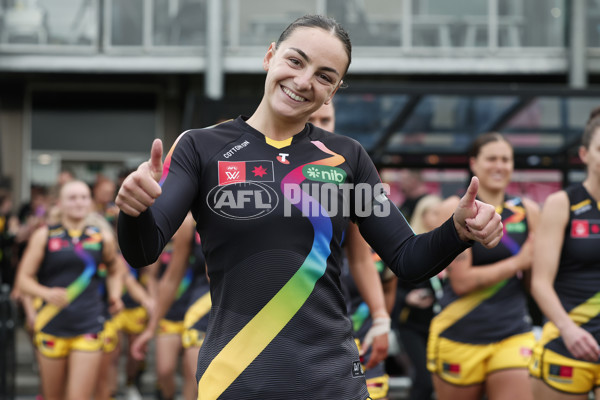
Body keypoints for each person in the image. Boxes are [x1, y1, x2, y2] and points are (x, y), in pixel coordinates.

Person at [115, 14, 503, 399]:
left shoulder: (347, 157)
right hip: (235, 378)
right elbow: (142, 250)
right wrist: (134, 211)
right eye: (295, 61)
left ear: (333, 91)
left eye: (324, 76)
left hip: (333, 381)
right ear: (270, 56)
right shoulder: (201, 147)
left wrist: (457, 230)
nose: (303, 81)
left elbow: (407, 257)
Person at [427, 132, 539, 400]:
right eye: (491, 159)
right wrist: (519, 262)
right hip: (458, 334)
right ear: (474, 163)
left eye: (506, 159)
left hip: (513, 333)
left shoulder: (529, 210)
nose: (499, 166)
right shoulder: (454, 208)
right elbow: (462, 282)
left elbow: (533, 282)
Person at [309, 101, 396, 399]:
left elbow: (362, 259)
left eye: (327, 118)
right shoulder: (266, 167)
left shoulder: (347, 170)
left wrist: (381, 319)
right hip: (283, 331)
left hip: (344, 327)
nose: (321, 126)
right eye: (313, 118)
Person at [15, 180, 123, 400]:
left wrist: (115, 295)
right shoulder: (44, 235)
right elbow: (23, 280)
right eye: (72, 198)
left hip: (89, 324)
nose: (79, 202)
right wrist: (46, 293)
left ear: (90, 202)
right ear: (60, 203)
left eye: (84, 197)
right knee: (53, 395)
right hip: (51, 323)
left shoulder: (101, 236)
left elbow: (116, 270)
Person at [529, 108, 600, 399]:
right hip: (567, 342)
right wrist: (569, 330)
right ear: (585, 155)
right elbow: (539, 282)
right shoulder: (563, 203)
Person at [131, 213, 209, 400]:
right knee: (191, 376)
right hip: (197, 311)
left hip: (238, 310)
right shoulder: (190, 224)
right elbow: (169, 279)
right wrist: (151, 327)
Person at [396, 194, 442, 400]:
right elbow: (390, 287)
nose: (440, 216)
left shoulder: (446, 247)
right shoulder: (409, 247)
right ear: (423, 216)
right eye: (435, 212)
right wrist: (408, 298)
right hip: (412, 324)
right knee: (424, 380)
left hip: (438, 325)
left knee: (435, 380)